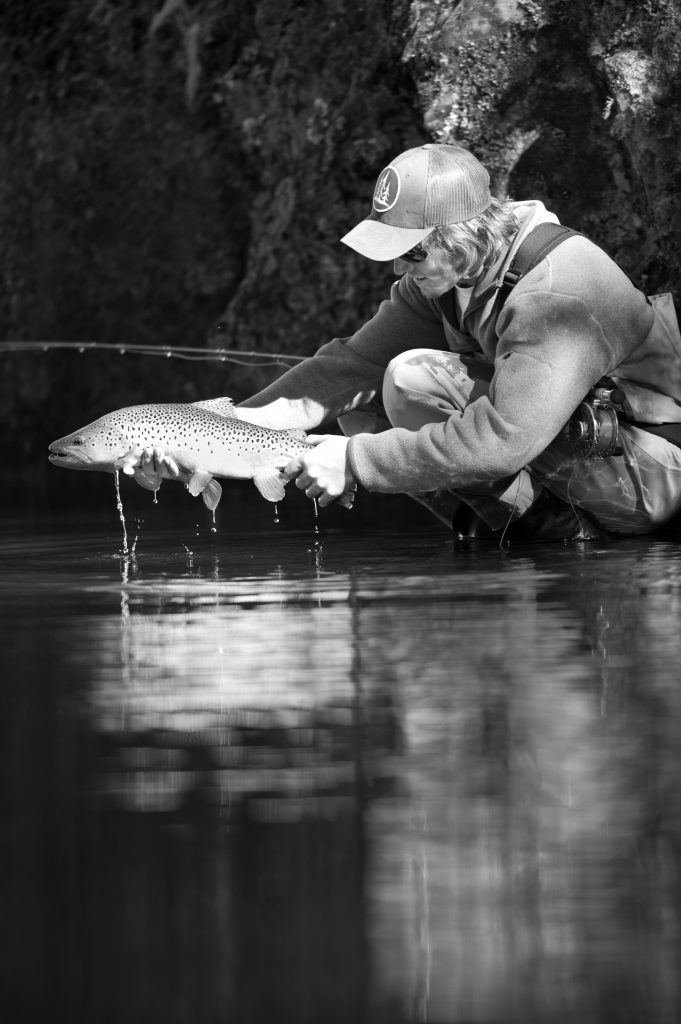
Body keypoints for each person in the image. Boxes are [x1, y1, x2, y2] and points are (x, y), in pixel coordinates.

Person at [146, 143, 681, 539]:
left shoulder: (554, 296)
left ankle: (555, 534)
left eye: (414, 252)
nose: (400, 267)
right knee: (371, 393)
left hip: (654, 480)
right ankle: (522, 530)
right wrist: (218, 432)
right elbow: (350, 366)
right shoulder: (452, 275)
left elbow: (503, 440)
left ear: (463, 234)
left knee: (410, 380)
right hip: (589, 456)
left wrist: (354, 461)